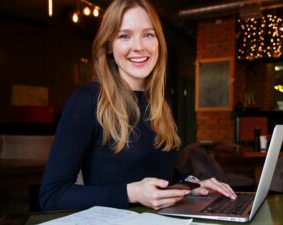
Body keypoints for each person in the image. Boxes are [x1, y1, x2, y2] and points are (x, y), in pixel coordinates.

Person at [39, 0, 236, 211]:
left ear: (158, 42)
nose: (139, 47)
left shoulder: (161, 101)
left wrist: (193, 184)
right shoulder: (87, 100)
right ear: (108, 46)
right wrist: (131, 193)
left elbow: (163, 172)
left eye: (148, 34)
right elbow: (52, 195)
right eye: (124, 36)